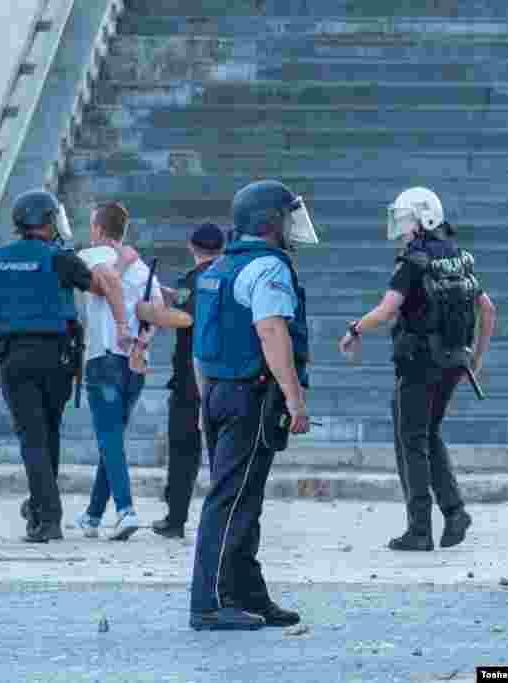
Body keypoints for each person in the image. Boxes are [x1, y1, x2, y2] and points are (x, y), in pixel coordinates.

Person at [188, 179, 318, 631]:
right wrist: (294, 399)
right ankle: (208, 603)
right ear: (270, 222)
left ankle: (247, 592)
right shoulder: (268, 268)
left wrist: (210, 397)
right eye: (285, 218)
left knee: (244, 498)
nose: (290, 227)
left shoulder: (218, 267)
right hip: (252, 394)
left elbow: (201, 346)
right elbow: (271, 331)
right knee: (232, 499)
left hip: (219, 391)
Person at [338, 187, 496, 552]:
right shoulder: (459, 257)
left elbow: (387, 310)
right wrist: (477, 358)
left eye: (405, 218)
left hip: (419, 363)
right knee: (429, 432)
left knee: (412, 440)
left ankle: (420, 530)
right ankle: (454, 512)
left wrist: (354, 330)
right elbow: (488, 309)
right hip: (455, 361)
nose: (401, 226)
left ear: (422, 219)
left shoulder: (414, 261)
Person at [0, 189, 131, 543]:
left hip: (13, 357)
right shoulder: (59, 257)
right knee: (49, 433)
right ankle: (44, 509)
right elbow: (98, 289)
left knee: (32, 438)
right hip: (56, 357)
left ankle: (45, 514)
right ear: (49, 221)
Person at [72, 202, 163, 542]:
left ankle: (125, 510)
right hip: (135, 363)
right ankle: (93, 516)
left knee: (109, 440)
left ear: (97, 229)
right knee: (112, 441)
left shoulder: (91, 256)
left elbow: (100, 281)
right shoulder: (140, 267)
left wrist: (123, 327)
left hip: (103, 358)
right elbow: (157, 313)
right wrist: (142, 340)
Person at [151, 223, 226, 540]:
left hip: (188, 381)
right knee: (224, 454)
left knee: (183, 452)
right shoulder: (227, 276)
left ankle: (175, 518)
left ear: (191, 246)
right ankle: (225, 519)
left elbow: (187, 314)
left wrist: (151, 310)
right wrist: (171, 296)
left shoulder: (193, 280)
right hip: (225, 378)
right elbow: (187, 301)